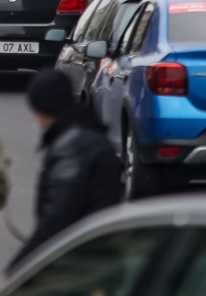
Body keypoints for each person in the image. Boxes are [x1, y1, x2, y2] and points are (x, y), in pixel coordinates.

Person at [8, 69, 123, 273]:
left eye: (36, 110)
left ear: (46, 108)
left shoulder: (70, 147)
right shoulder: (88, 132)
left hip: (82, 260)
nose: (35, 118)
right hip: (98, 250)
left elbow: (59, 216)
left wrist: (19, 267)